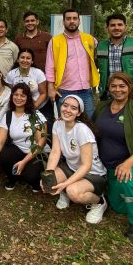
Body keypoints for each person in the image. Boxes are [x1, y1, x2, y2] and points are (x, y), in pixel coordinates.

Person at [94, 72, 133, 241]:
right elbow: (91, 130)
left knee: (127, 180)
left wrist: (128, 164)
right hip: (109, 166)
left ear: (129, 88)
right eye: (113, 86)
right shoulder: (102, 106)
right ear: (108, 88)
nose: (118, 90)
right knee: (119, 207)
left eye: (122, 86)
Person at [43, 95, 108, 224]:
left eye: (73, 108)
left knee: (73, 191)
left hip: (93, 173)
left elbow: (86, 165)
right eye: (65, 105)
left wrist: (65, 184)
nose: (67, 110)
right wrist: (47, 176)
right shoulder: (57, 124)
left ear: (79, 113)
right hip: (71, 167)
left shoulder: (82, 130)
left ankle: (99, 202)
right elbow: (55, 152)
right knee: (50, 181)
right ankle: (65, 192)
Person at [0, 82, 47, 192]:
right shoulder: (8, 116)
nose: (18, 98)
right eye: (16, 95)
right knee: (2, 155)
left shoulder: (35, 115)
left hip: (34, 154)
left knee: (31, 176)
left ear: (28, 98)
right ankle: (13, 178)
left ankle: (34, 181)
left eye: (22, 95)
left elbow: (41, 142)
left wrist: (24, 162)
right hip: (17, 150)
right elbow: (0, 142)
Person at [45, 8, 98, 114]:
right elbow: (50, 66)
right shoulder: (55, 41)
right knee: (66, 121)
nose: (72, 21)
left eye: (75, 18)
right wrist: (50, 87)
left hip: (86, 90)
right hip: (64, 91)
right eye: (68, 19)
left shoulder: (90, 39)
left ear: (79, 21)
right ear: (63, 21)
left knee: (89, 121)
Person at [95, 13, 133, 99]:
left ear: (125, 27)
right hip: (108, 95)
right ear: (107, 28)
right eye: (112, 25)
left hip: (132, 95)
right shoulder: (99, 46)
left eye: (120, 25)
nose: (116, 28)